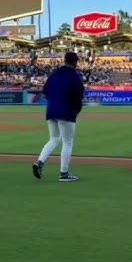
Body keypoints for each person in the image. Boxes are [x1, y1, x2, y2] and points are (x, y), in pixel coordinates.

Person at [32, 52, 85, 182]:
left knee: (54, 139)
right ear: (75, 62)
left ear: (64, 60)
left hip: (51, 111)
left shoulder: (54, 74)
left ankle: (39, 163)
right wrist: (76, 110)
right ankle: (64, 174)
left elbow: (45, 93)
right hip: (67, 111)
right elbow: (79, 96)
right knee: (67, 142)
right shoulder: (74, 76)